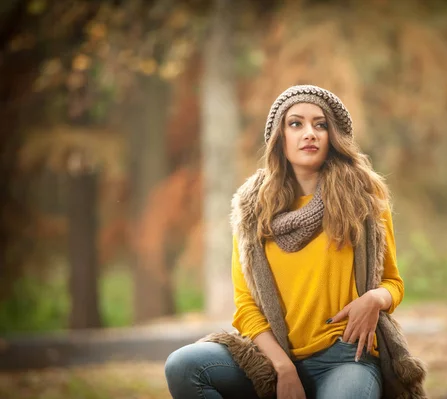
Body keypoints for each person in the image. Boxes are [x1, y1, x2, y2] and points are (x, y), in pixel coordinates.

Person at [164, 85, 426, 399]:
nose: (309, 133)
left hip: (344, 359)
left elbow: (392, 282)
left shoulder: (364, 197)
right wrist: (283, 367)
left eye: (320, 124)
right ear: (280, 136)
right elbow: (246, 307)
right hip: (272, 357)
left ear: (333, 136)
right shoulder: (253, 208)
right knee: (183, 366)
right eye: (296, 124)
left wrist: (374, 300)